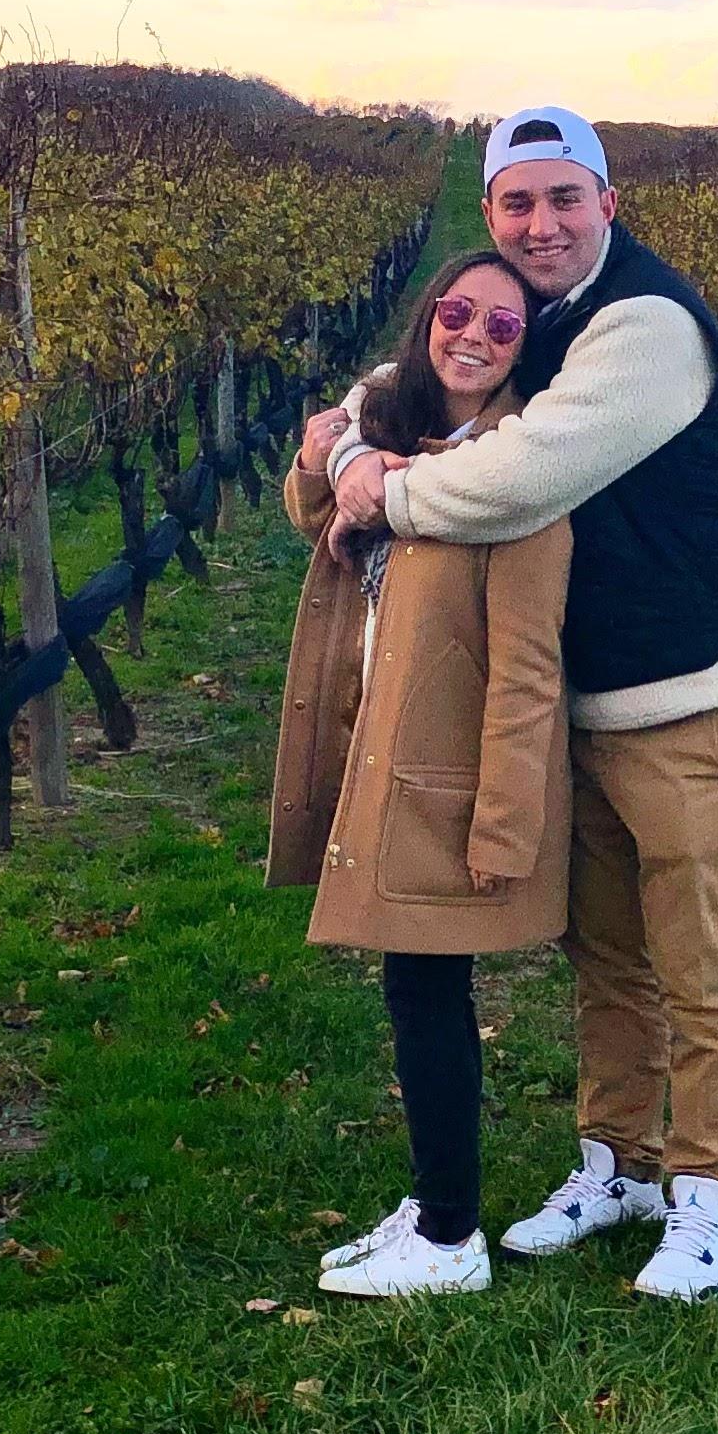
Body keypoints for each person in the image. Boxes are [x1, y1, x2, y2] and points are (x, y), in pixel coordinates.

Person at [328, 106, 718, 1302]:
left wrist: (389, 494)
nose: (541, 225)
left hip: (693, 689)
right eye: (517, 204)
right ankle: (618, 1163)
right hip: (594, 691)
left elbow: (525, 477)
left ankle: (713, 1192)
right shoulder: (539, 317)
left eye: (563, 199)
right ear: (489, 214)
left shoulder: (646, 325)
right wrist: (349, 452)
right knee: (608, 952)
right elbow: (385, 389)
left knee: (698, 957)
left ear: (608, 205)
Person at [268, 248, 572, 1300]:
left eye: (503, 326)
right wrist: (324, 461)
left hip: (448, 776)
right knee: (413, 986)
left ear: (526, 351)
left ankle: (449, 1238)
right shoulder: (393, 427)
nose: (474, 336)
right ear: (427, 317)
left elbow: (528, 668)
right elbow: (322, 519)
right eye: (457, 312)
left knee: (430, 990)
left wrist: (505, 823)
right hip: (382, 748)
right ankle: (436, 1208)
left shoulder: (518, 477)